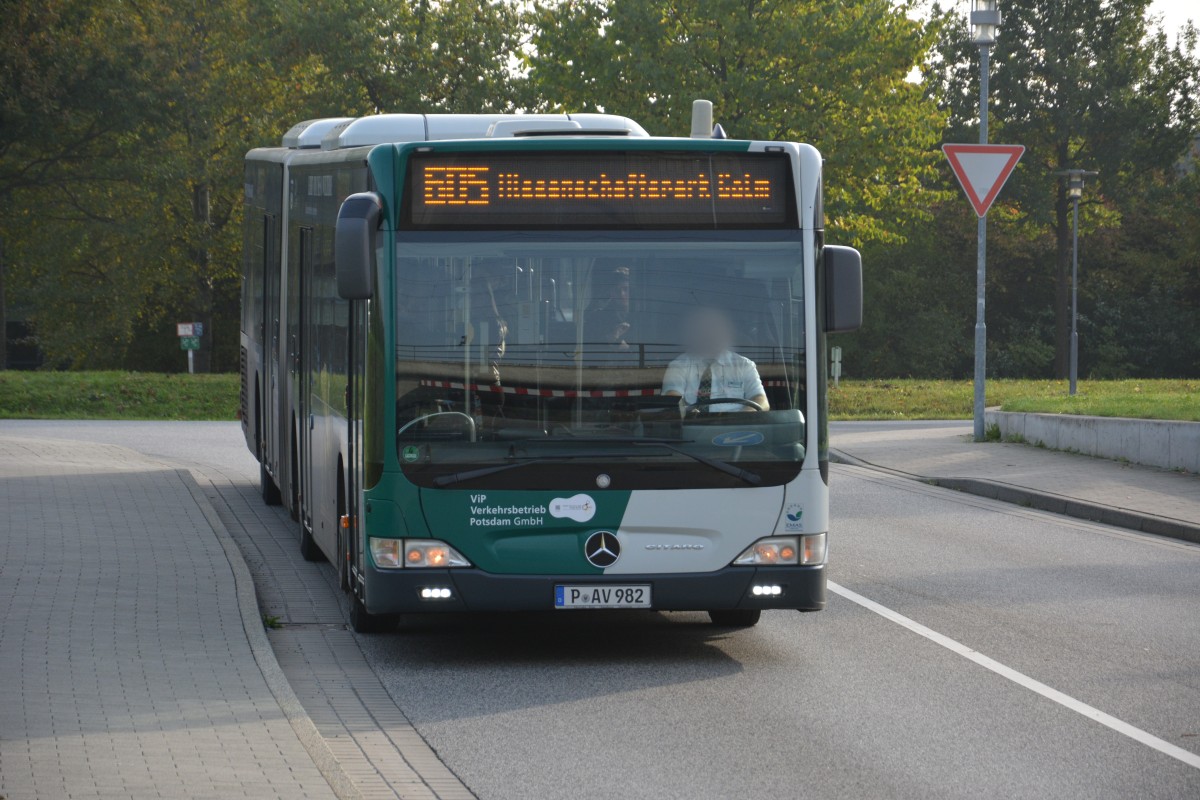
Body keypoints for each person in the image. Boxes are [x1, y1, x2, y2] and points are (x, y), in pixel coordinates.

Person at [662, 305, 768, 413]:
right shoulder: (679, 365)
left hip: (737, 423)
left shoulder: (744, 365)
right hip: (693, 422)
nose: (710, 333)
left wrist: (743, 416)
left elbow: (761, 400)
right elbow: (672, 397)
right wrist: (687, 414)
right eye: (705, 328)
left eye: (716, 328)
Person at [584, 266, 632, 349]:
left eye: (626, 289)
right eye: (617, 290)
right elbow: (589, 348)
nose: (622, 294)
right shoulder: (598, 318)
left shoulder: (644, 316)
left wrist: (629, 349)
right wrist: (610, 337)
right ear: (611, 292)